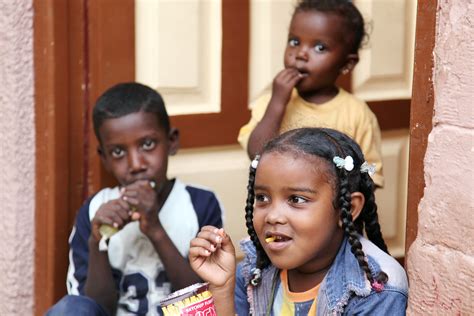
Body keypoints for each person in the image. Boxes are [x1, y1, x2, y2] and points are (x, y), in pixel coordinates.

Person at [47, 82, 224, 315]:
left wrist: (155, 229)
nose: (136, 165)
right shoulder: (95, 212)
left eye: (148, 144)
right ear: (105, 158)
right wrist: (98, 241)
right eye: (118, 152)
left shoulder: (200, 204)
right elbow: (90, 308)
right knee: (68, 309)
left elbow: (203, 304)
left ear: (171, 142)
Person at [190, 128, 408, 315]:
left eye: (296, 199)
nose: (273, 216)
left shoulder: (377, 290)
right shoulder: (254, 268)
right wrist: (221, 288)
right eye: (262, 198)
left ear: (347, 209)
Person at [238, 0, 385, 187]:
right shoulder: (270, 103)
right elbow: (257, 155)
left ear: (347, 63)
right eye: (294, 42)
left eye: (320, 47)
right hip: (278, 212)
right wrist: (277, 104)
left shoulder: (357, 113)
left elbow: (371, 170)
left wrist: (347, 173)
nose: (301, 54)